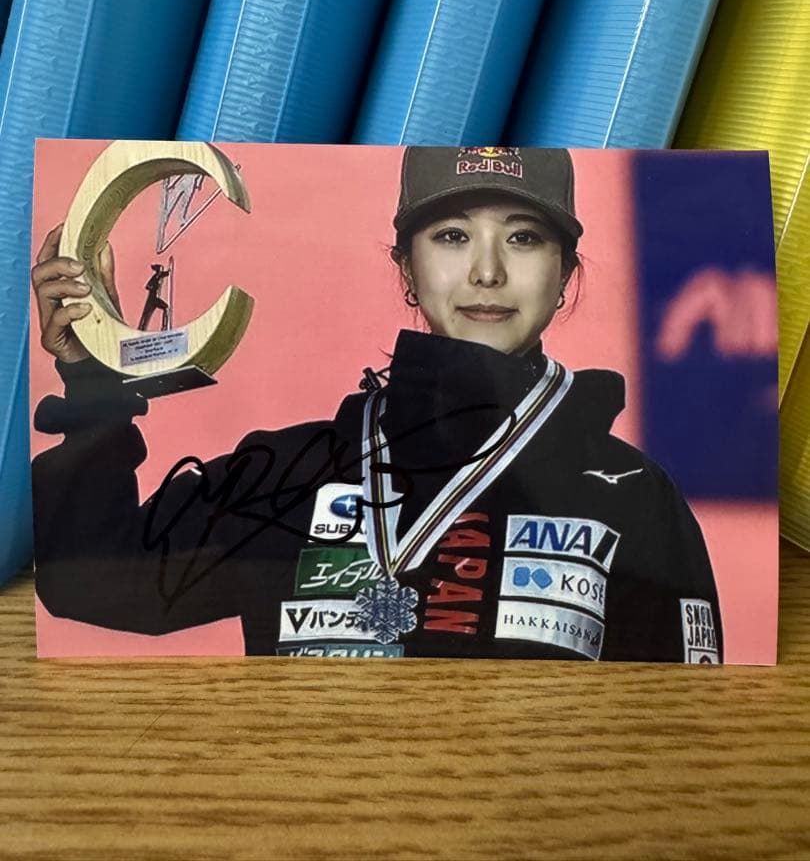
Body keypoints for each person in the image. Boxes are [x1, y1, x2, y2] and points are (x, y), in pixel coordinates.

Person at [31, 147, 723, 662]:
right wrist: (92, 382)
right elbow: (88, 582)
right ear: (406, 268)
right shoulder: (285, 473)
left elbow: (681, 730)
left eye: (523, 237)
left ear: (565, 271)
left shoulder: (632, 493)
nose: (487, 272)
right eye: (452, 236)